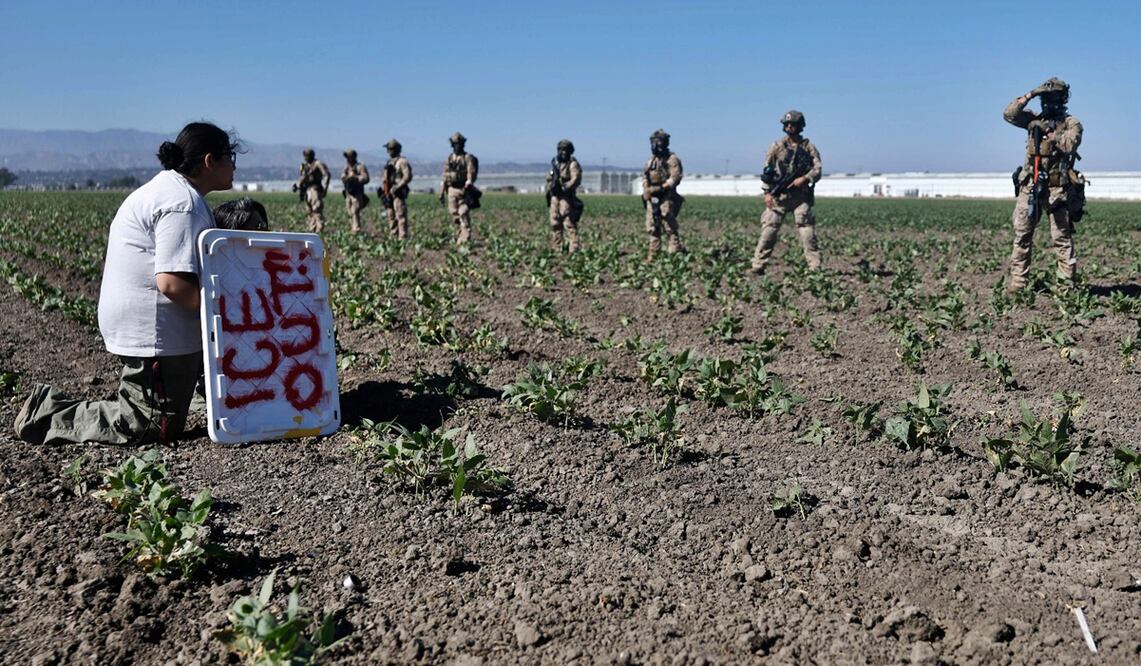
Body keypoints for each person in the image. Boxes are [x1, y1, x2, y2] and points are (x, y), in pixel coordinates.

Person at [14, 122, 240, 445]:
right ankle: (45, 413)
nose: (234, 165)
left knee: (171, 409)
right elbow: (172, 283)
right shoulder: (182, 204)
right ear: (209, 161)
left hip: (152, 325)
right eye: (230, 156)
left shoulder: (174, 192)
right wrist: (225, 316)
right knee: (147, 424)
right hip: (155, 332)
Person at [1003, 77, 1083, 291]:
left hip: (1058, 189)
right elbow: (1009, 114)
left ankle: (1066, 286)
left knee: (1061, 238)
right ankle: (1018, 283)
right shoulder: (1033, 119)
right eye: (1046, 98)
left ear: (1063, 98)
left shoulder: (1071, 123)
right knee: (1022, 235)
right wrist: (1030, 94)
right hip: (1031, 185)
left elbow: (1069, 145)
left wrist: (1049, 133)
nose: (1050, 102)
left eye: (1054, 97)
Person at [748, 110, 823, 276]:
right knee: (769, 230)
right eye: (787, 124)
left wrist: (805, 178)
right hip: (779, 196)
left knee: (807, 231)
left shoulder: (809, 147)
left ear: (800, 126)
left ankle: (815, 267)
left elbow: (817, 169)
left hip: (800, 196)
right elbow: (767, 171)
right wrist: (767, 193)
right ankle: (758, 265)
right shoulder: (776, 146)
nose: (789, 127)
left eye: (793, 124)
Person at [641, 129, 685, 258]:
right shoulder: (651, 161)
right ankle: (654, 255)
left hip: (666, 195)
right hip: (652, 197)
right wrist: (647, 189)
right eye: (653, 142)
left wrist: (660, 188)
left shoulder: (672, 159)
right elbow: (645, 176)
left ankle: (674, 253)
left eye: (658, 142)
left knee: (668, 225)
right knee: (652, 226)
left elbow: (675, 178)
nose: (655, 145)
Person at [439, 132, 479, 245]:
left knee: (463, 212)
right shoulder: (449, 158)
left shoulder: (467, 158)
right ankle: (460, 234)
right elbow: (445, 175)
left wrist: (468, 182)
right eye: (455, 144)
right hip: (451, 189)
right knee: (454, 212)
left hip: (463, 189)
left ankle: (465, 237)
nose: (457, 146)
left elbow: (471, 172)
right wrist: (442, 189)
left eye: (459, 144)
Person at [546, 139, 584, 253]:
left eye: (565, 150)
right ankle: (557, 247)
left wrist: (565, 186)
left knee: (568, 223)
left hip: (566, 197)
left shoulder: (572, 164)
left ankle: (574, 248)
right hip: (555, 197)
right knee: (555, 223)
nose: (562, 152)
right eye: (560, 150)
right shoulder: (556, 164)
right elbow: (549, 177)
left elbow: (575, 179)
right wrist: (551, 185)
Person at [381, 138, 413, 239]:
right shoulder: (389, 162)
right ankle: (393, 236)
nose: (389, 151)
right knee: (391, 216)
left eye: (390, 149)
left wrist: (398, 186)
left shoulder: (402, 161)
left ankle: (402, 238)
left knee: (400, 215)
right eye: (388, 149)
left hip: (398, 192)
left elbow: (407, 177)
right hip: (389, 193)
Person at [293, 148, 330, 233]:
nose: (305, 158)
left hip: (315, 189)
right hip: (307, 190)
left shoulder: (317, 164)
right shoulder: (305, 166)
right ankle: (312, 229)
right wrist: (298, 186)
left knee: (317, 210)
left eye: (307, 156)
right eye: (305, 156)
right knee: (309, 211)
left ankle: (319, 229)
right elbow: (303, 178)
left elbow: (326, 174)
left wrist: (325, 187)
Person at [340, 149, 370, 232]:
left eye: (349, 157)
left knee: (355, 211)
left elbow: (366, 178)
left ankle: (356, 230)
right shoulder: (346, 168)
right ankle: (352, 228)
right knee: (350, 212)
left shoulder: (360, 167)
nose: (347, 159)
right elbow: (342, 178)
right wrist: (347, 177)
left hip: (357, 193)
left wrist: (356, 177)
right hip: (348, 193)